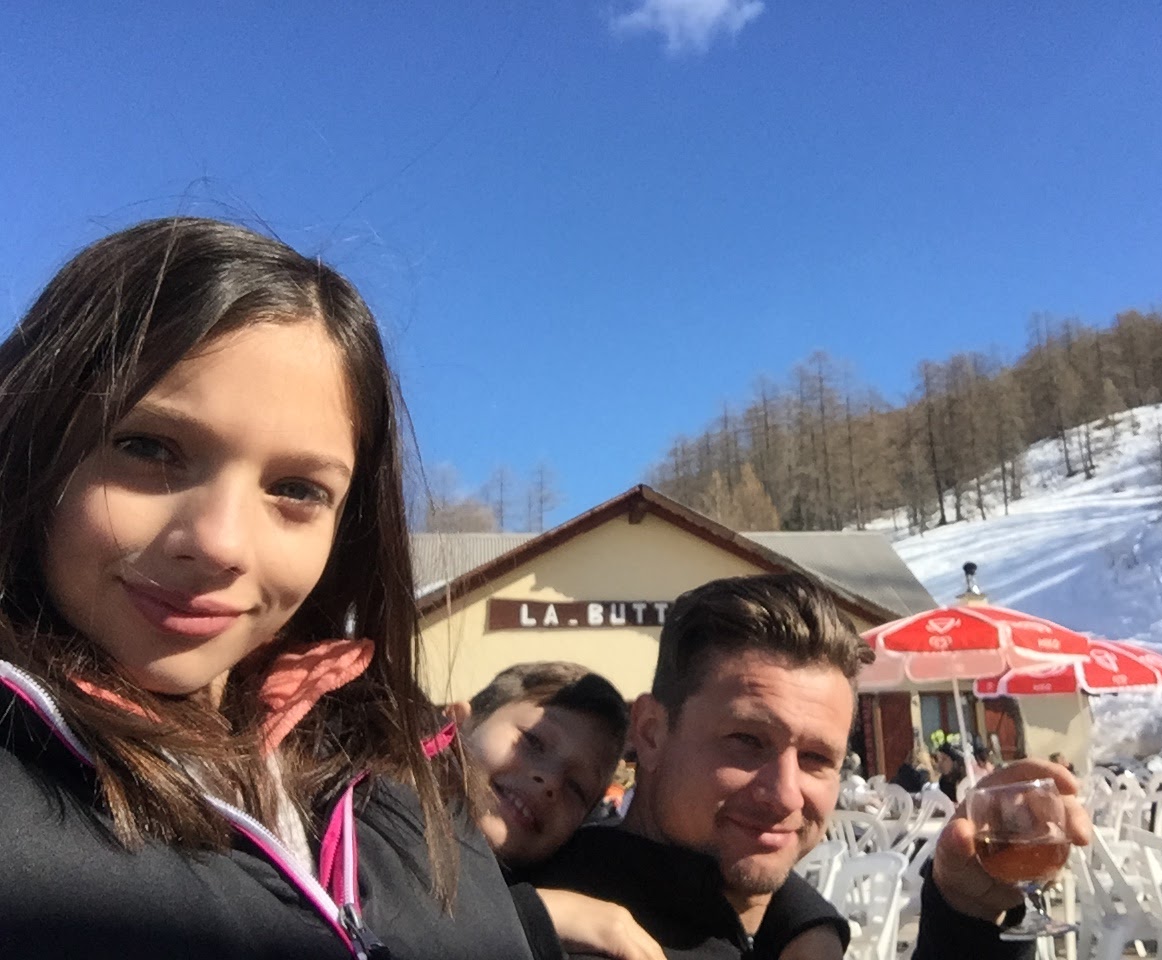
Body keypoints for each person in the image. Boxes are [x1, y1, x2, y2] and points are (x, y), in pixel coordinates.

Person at [0, 218, 548, 958]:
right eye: (147, 448)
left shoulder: (397, 752)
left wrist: (540, 922)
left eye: (296, 489)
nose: (221, 544)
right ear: (32, 438)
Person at [528, 572, 1092, 960]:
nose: (785, 794)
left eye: (818, 758)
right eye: (746, 741)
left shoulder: (764, 924)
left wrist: (965, 915)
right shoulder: (556, 934)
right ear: (651, 733)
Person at [459, 660, 666, 960]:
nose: (551, 782)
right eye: (533, 741)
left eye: (576, 788)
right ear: (458, 723)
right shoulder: (386, 820)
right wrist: (536, 912)